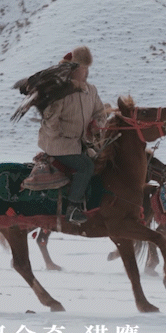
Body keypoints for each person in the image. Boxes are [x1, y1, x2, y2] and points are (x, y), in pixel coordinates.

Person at [37, 46, 105, 224]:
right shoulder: (60, 92)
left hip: (79, 143)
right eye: (83, 68)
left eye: (87, 68)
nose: (86, 72)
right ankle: (72, 208)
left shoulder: (91, 91)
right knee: (86, 167)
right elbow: (50, 120)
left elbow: (100, 112)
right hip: (58, 144)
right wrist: (61, 137)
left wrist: (96, 125)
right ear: (72, 69)